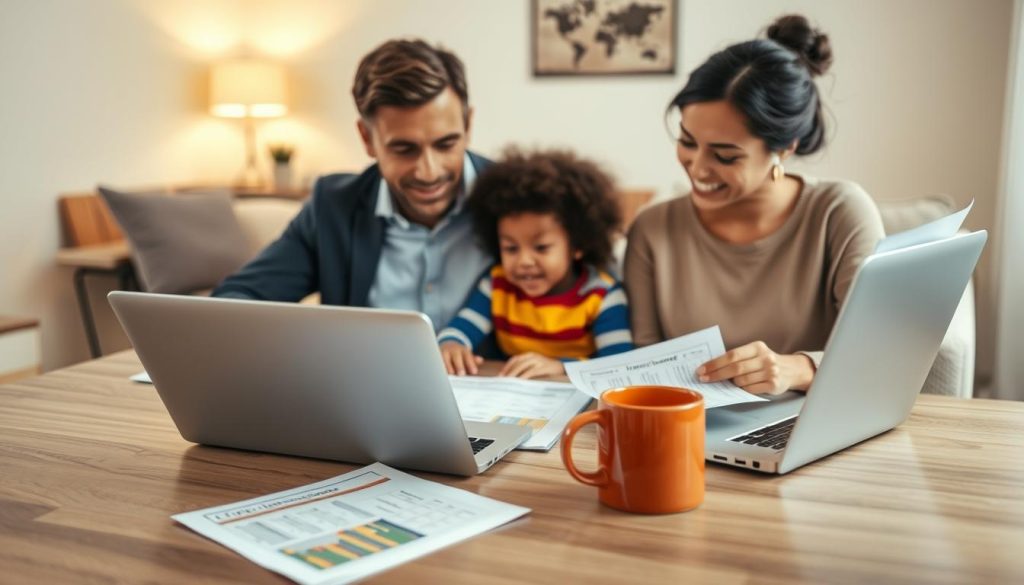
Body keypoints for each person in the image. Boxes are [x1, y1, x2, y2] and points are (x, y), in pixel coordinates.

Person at [624, 15, 885, 395]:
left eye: (725, 156)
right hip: (688, 431)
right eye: (687, 141)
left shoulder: (839, 213)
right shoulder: (652, 229)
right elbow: (641, 360)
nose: (697, 168)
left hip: (810, 429)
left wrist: (798, 369)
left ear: (786, 146)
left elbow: (877, 353)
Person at [213, 39, 493, 336]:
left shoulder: (524, 198)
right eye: (404, 149)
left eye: (445, 144)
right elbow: (236, 301)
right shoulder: (333, 207)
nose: (429, 171)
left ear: (468, 124)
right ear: (367, 138)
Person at [438, 149, 634, 379]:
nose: (524, 261)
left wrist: (561, 366)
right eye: (511, 248)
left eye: (541, 248)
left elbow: (619, 364)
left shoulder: (602, 295)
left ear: (578, 245)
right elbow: (462, 328)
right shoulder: (497, 284)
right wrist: (451, 344)